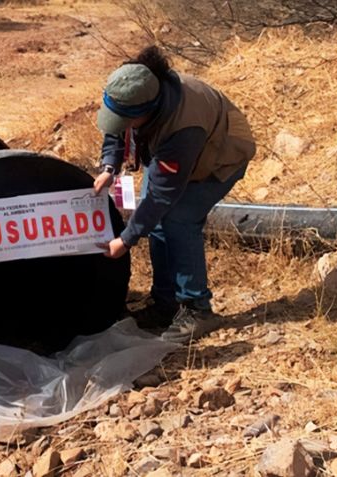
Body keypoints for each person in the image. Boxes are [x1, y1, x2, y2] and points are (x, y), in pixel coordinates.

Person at [95, 46, 256, 344]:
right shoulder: (133, 89)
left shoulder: (183, 128)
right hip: (177, 153)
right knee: (156, 224)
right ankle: (165, 304)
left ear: (146, 113)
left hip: (219, 153)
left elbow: (160, 197)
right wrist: (109, 166)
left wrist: (126, 240)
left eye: (128, 120)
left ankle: (197, 309)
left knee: (179, 220)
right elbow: (116, 127)